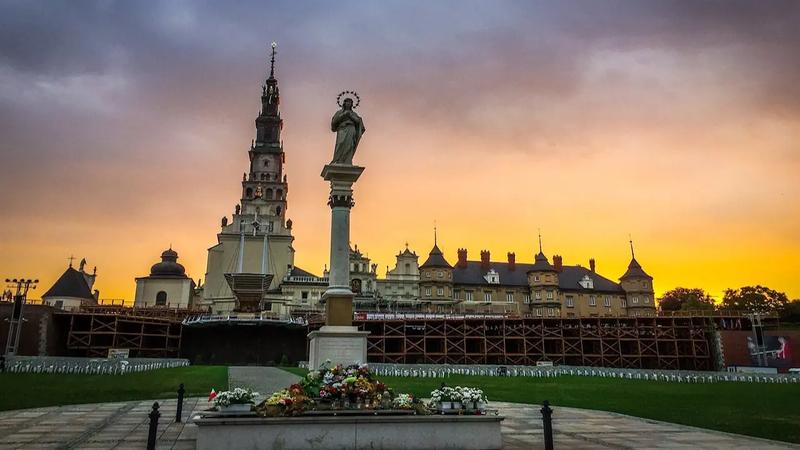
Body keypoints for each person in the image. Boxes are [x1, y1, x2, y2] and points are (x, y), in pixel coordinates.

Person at [330, 97, 366, 165]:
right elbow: (334, 121)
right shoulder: (339, 112)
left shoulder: (354, 114)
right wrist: (344, 114)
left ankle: (347, 160)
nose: (349, 104)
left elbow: (358, 121)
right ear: (344, 103)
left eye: (350, 102)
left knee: (350, 145)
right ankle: (337, 160)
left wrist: (350, 116)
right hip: (342, 129)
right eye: (347, 102)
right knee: (340, 144)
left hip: (351, 129)